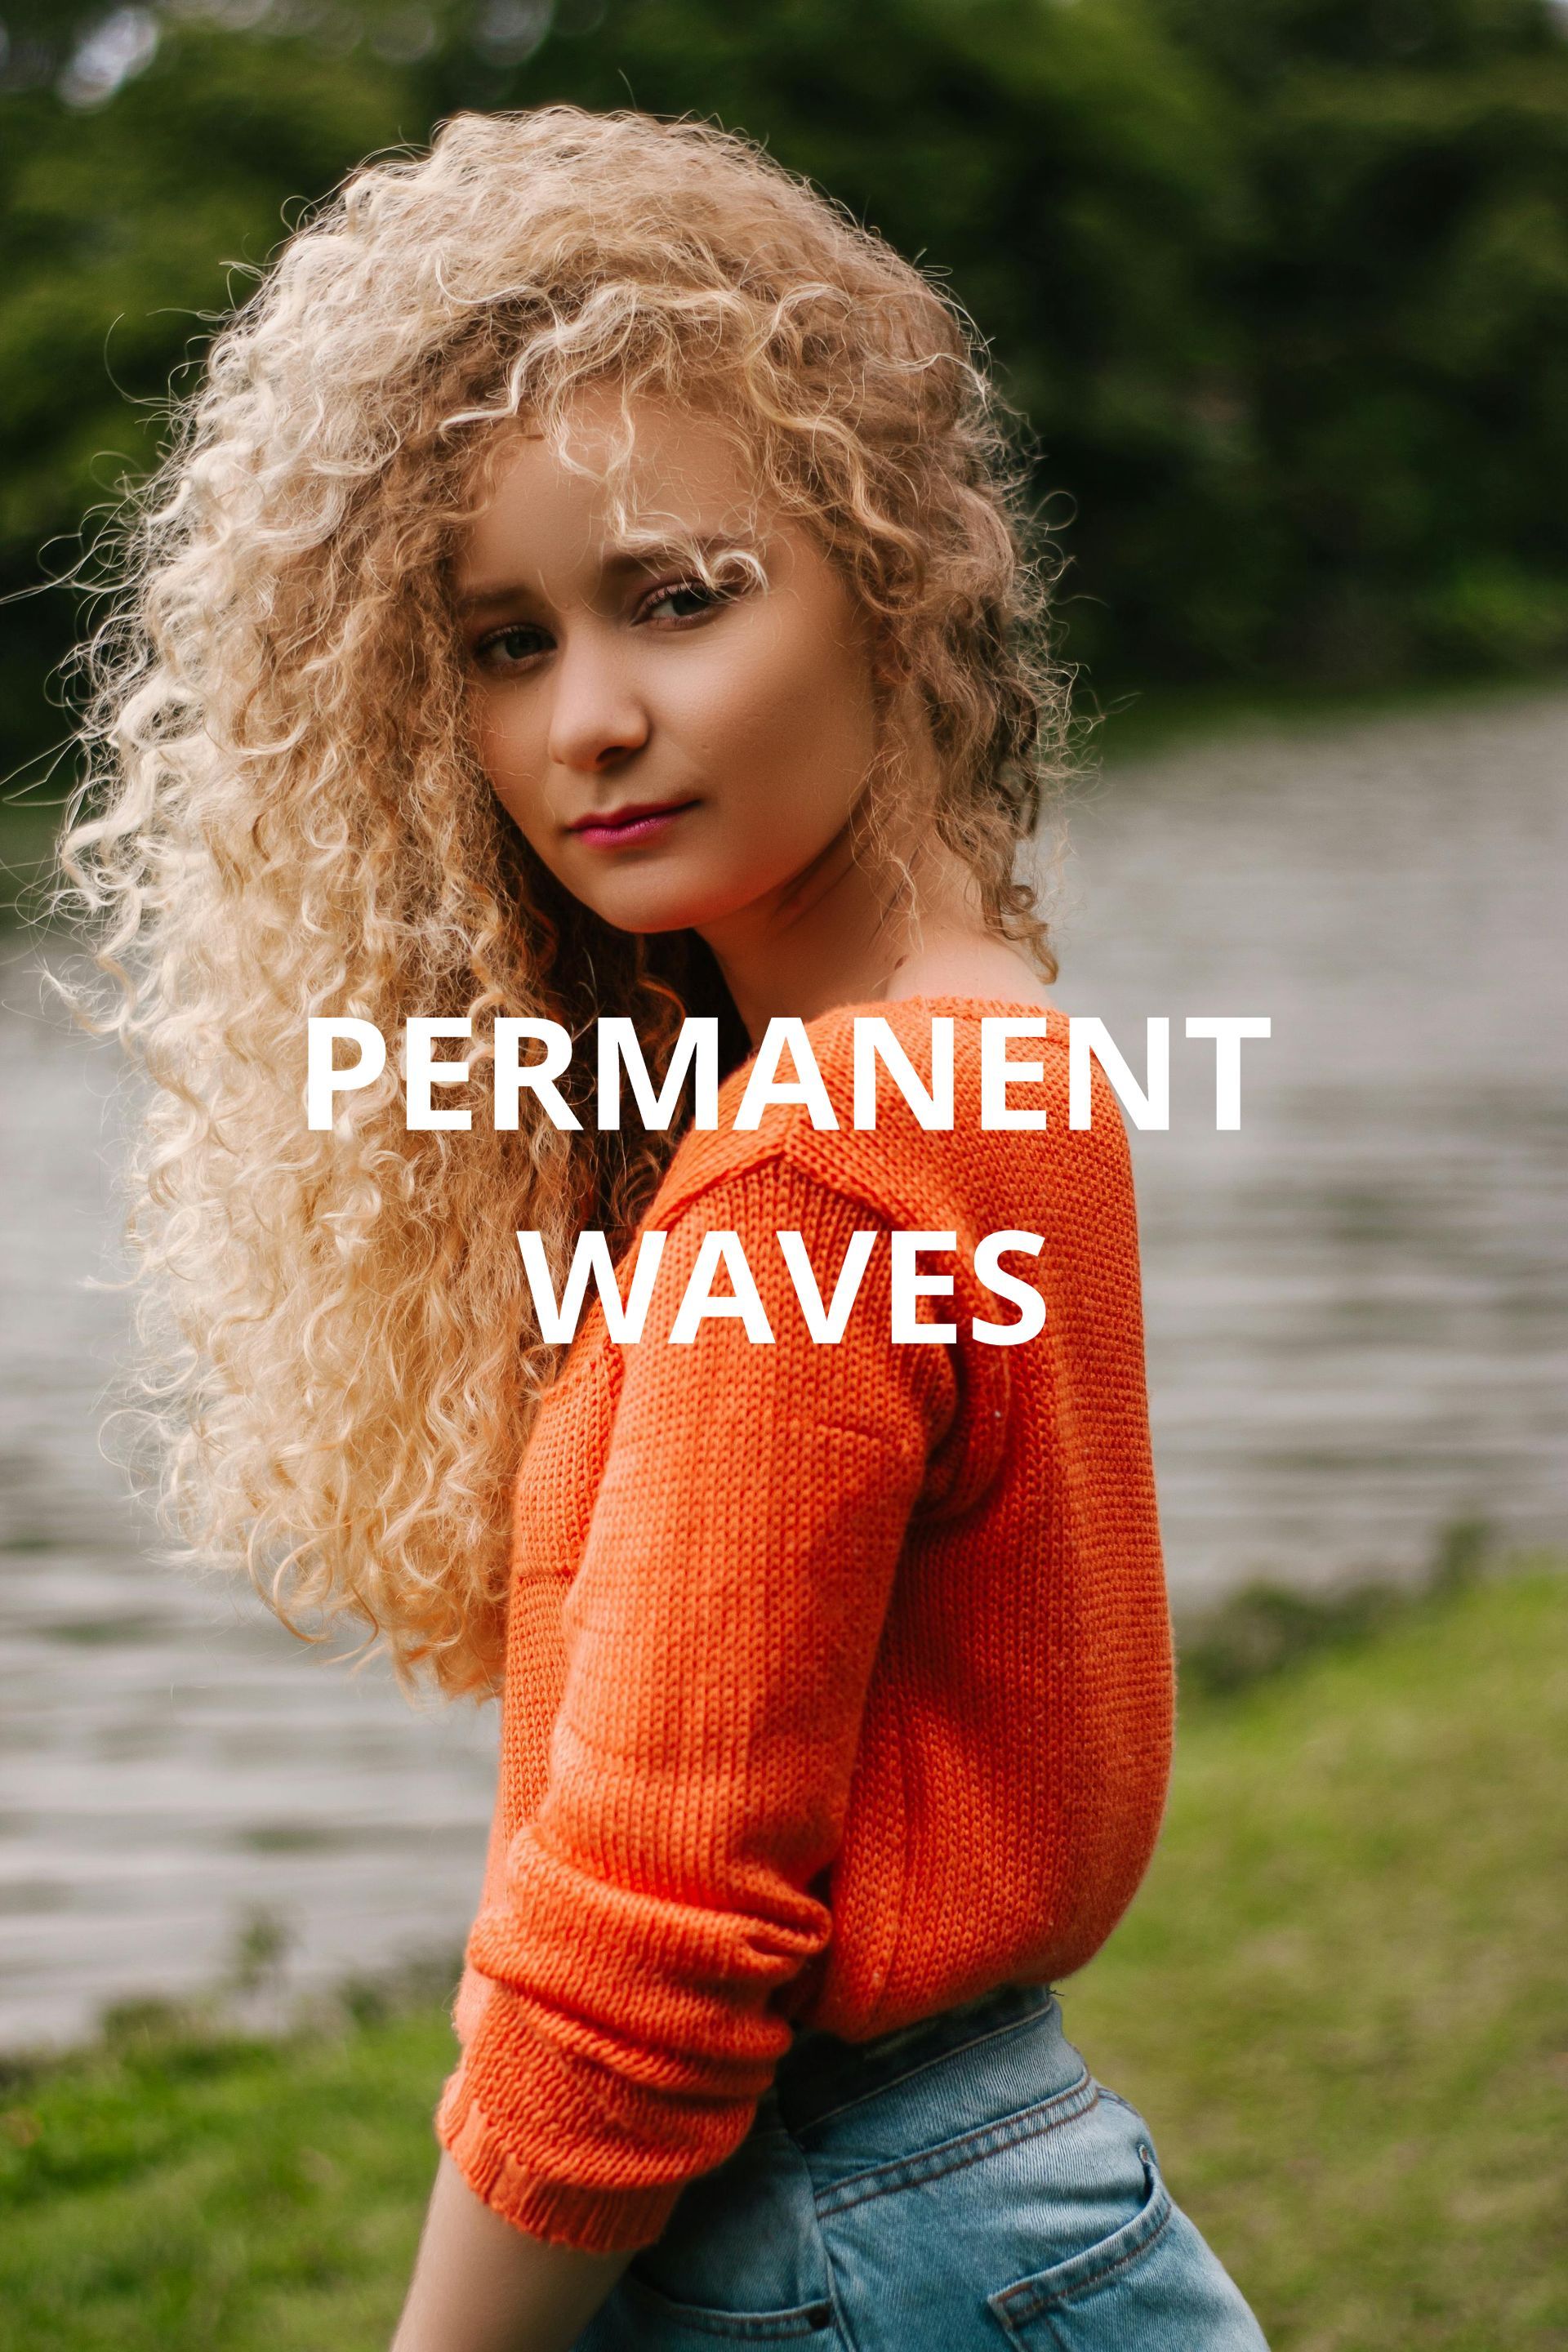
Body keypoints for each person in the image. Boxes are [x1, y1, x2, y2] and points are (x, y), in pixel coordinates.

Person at [56, 105, 1270, 2352]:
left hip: (841, 2239)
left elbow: (652, 1923)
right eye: (502, 643)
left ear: (893, 574)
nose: (589, 721)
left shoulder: (829, 1149)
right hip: (980, 2189)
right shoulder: (996, 1045)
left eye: (677, 599)